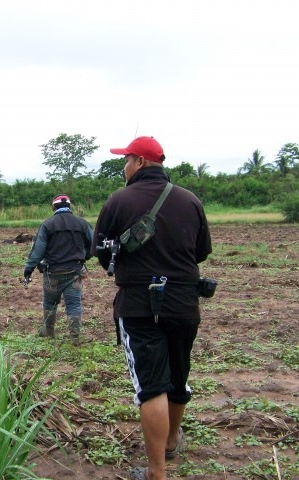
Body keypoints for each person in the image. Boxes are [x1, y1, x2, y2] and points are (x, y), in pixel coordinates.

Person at [91, 136, 212, 480]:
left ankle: (156, 473)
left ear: (140, 162)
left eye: (126, 160)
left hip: (138, 304)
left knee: (151, 386)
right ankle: (172, 440)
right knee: (177, 377)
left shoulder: (118, 200)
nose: (123, 166)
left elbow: (101, 252)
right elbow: (201, 252)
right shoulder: (190, 200)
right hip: (183, 303)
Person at [23, 194, 93, 346]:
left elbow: (38, 251)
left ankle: (48, 331)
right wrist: (83, 257)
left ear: (53, 207)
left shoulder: (47, 225)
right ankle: (75, 337)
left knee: (50, 303)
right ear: (69, 206)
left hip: (52, 273)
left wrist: (28, 269)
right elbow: (93, 245)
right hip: (75, 272)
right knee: (74, 304)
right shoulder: (82, 223)